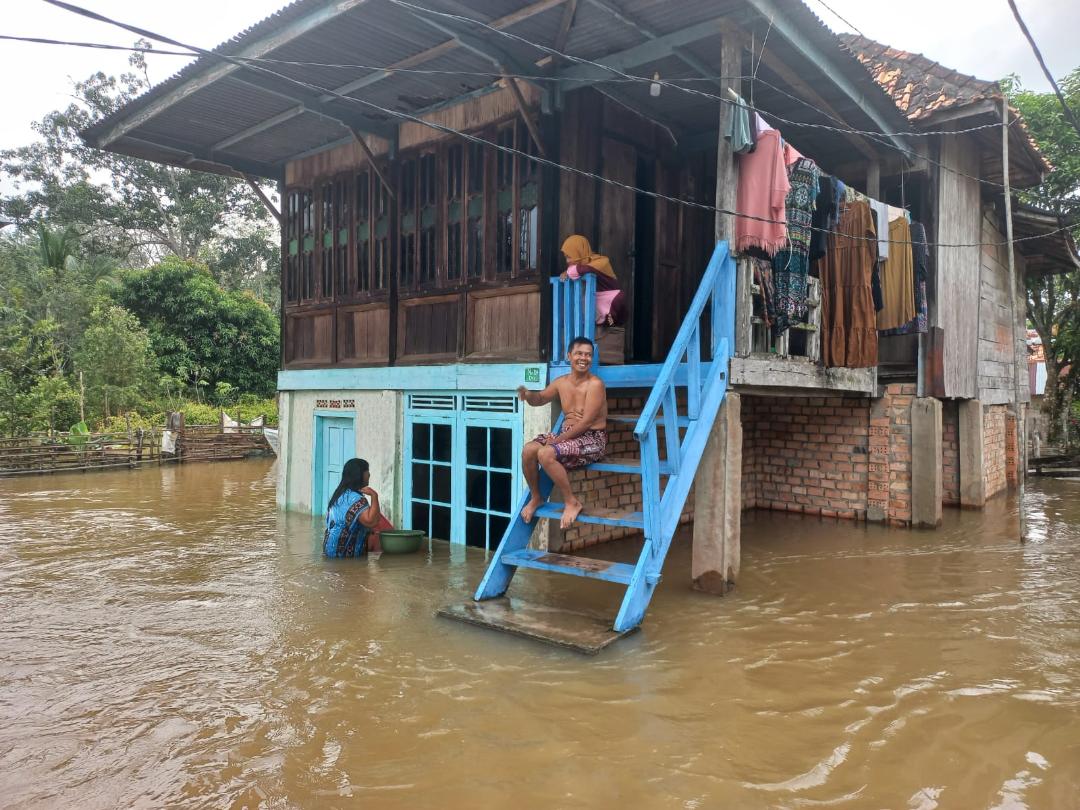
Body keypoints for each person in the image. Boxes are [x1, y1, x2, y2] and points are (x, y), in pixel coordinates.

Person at [517, 336, 608, 529]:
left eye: (588, 355)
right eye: (579, 354)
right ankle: (536, 497)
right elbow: (541, 398)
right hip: (568, 436)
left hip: (592, 439)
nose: (584, 358)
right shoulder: (561, 382)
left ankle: (571, 501)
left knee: (546, 452)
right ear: (569, 356)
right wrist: (528, 396)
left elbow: (586, 422)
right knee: (528, 450)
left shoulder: (595, 385)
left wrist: (556, 441)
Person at [560, 234, 627, 365]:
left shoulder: (601, 262)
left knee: (612, 325)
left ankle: (611, 357)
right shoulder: (589, 264)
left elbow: (580, 270)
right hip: (602, 306)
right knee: (601, 325)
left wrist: (567, 272)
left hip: (613, 303)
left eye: (569, 256)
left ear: (579, 252)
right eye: (566, 257)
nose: (567, 261)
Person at [323, 458, 384, 557]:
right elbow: (372, 521)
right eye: (366, 471)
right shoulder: (355, 499)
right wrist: (374, 495)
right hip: (344, 556)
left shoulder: (340, 495)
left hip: (330, 551)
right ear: (359, 474)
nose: (369, 474)